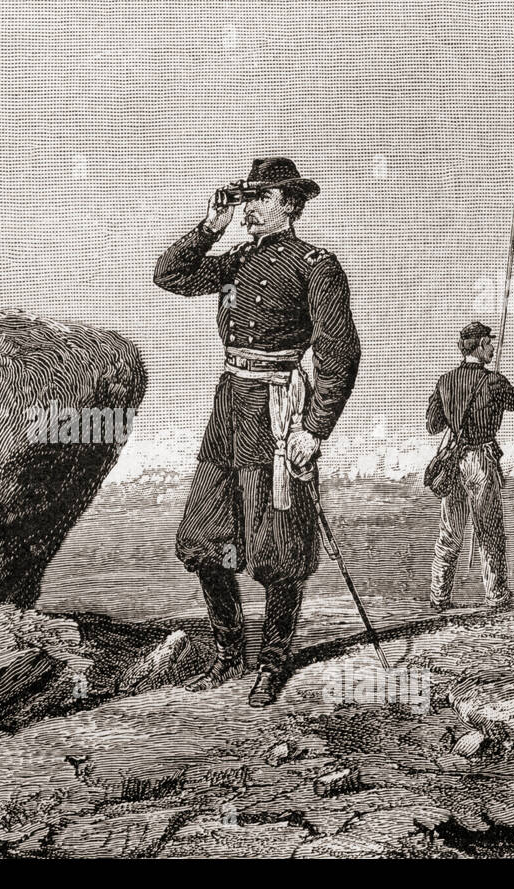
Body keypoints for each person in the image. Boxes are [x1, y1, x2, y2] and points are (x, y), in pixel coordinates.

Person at [154, 157, 360, 707]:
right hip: (229, 409)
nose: (249, 208)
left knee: (278, 546)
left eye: (259, 199)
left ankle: (274, 659)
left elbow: (339, 356)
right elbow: (169, 275)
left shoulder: (317, 265)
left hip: (277, 409)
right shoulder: (241, 256)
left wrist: (314, 429)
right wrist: (210, 226)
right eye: (246, 198)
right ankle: (229, 653)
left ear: (289, 205)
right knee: (201, 539)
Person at [425, 321, 514, 611]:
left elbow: (433, 425)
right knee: (489, 530)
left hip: (453, 461)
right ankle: (496, 596)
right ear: (480, 346)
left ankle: (439, 596)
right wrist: (497, 385)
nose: (493, 347)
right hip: (480, 460)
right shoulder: (492, 381)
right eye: (490, 343)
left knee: (450, 532)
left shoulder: (445, 381)